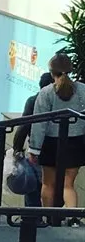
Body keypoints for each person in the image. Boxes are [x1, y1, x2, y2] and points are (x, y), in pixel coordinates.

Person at [27, 53, 85, 216]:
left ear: (51, 72)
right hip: (75, 142)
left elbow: (39, 123)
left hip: (51, 143)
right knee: (68, 185)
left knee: (48, 184)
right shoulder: (82, 90)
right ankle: (73, 218)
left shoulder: (46, 93)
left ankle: (48, 217)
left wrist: (34, 149)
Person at [12, 72, 55, 207]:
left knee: (34, 183)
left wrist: (17, 148)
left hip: (38, 148)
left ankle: (32, 216)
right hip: (61, 147)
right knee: (55, 183)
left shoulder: (34, 100)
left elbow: (24, 126)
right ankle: (53, 216)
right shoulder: (63, 101)